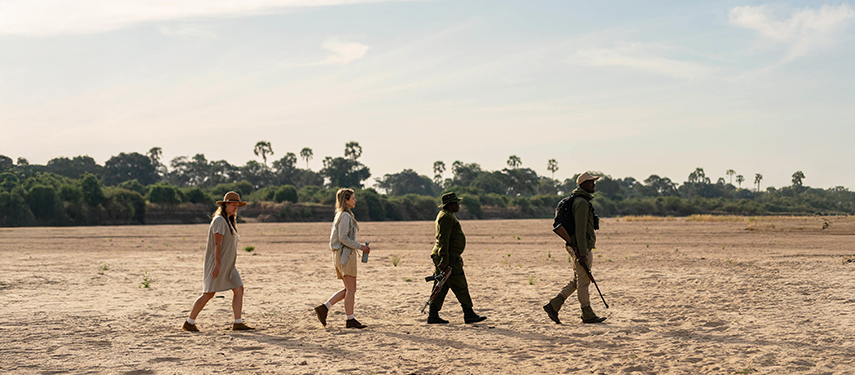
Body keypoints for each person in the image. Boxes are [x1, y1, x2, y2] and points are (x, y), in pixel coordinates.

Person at [183, 191, 255, 332]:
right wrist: (217, 265)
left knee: (239, 288)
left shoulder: (228, 220)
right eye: (233, 205)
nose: (235, 208)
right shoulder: (219, 220)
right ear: (226, 204)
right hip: (218, 264)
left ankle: (238, 322)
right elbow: (218, 244)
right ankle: (189, 322)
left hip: (229, 265)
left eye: (237, 206)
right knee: (209, 293)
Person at [543, 172, 607, 324]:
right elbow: (580, 229)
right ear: (583, 184)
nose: (594, 185)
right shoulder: (581, 203)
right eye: (591, 182)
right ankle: (587, 313)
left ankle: (554, 305)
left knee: (578, 279)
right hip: (580, 247)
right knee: (583, 281)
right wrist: (582, 253)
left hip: (577, 246)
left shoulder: (580, 201)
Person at [314, 188, 371, 329]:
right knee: (351, 289)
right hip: (345, 255)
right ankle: (349, 319)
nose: (355, 200)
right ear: (346, 200)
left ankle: (324, 308)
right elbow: (343, 238)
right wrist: (360, 247)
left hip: (341, 254)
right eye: (353, 198)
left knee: (349, 288)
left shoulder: (341, 214)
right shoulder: (345, 216)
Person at [427, 192, 487, 324]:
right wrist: (445, 260)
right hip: (447, 258)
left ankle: (433, 314)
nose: (459, 205)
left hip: (450, 256)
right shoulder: (446, 218)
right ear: (450, 205)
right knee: (460, 285)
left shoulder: (446, 216)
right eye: (456, 203)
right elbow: (444, 240)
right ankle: (468, 313)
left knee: (441, 285)